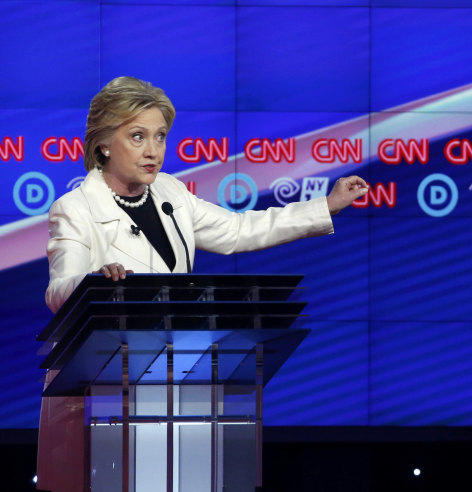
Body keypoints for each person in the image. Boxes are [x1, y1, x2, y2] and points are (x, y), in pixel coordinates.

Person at [38, 76, 368, 491]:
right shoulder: (75, 209)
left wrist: (326, 206)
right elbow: (58, 288)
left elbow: (238, 230)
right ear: (103, 143)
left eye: (160, 136)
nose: (153, 150)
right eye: (137, 136)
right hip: (102, 394)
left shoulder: (171, 193)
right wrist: (92, 283)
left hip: (174, 381)